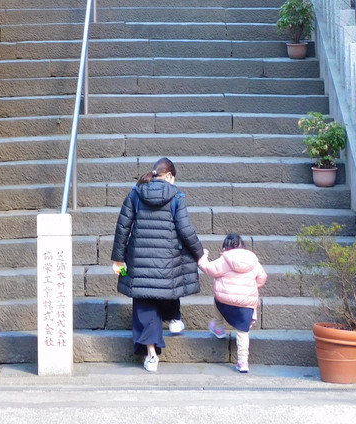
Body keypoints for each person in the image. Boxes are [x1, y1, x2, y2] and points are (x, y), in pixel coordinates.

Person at [111, 157, 204, 373]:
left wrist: (118, 257)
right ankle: (174, 318)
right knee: (168, 289)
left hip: (139, 261)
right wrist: (200, 253)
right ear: (170, 176)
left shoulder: (135, 193)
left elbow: (122, 227)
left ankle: (152, 357)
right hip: (167, 261)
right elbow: (185, 229)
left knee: (144, 306)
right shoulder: (177, 196)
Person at [198, 233, 267, 373]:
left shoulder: (225, 260)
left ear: (225, 247)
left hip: (226, 300)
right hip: (246, 304)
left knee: (217, 299)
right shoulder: (253, 261)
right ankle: (242, 361)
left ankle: (218, 327)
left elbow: (209, 269)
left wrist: (202, 257)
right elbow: (262, 277)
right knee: (243, 332)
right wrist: (254, 287)